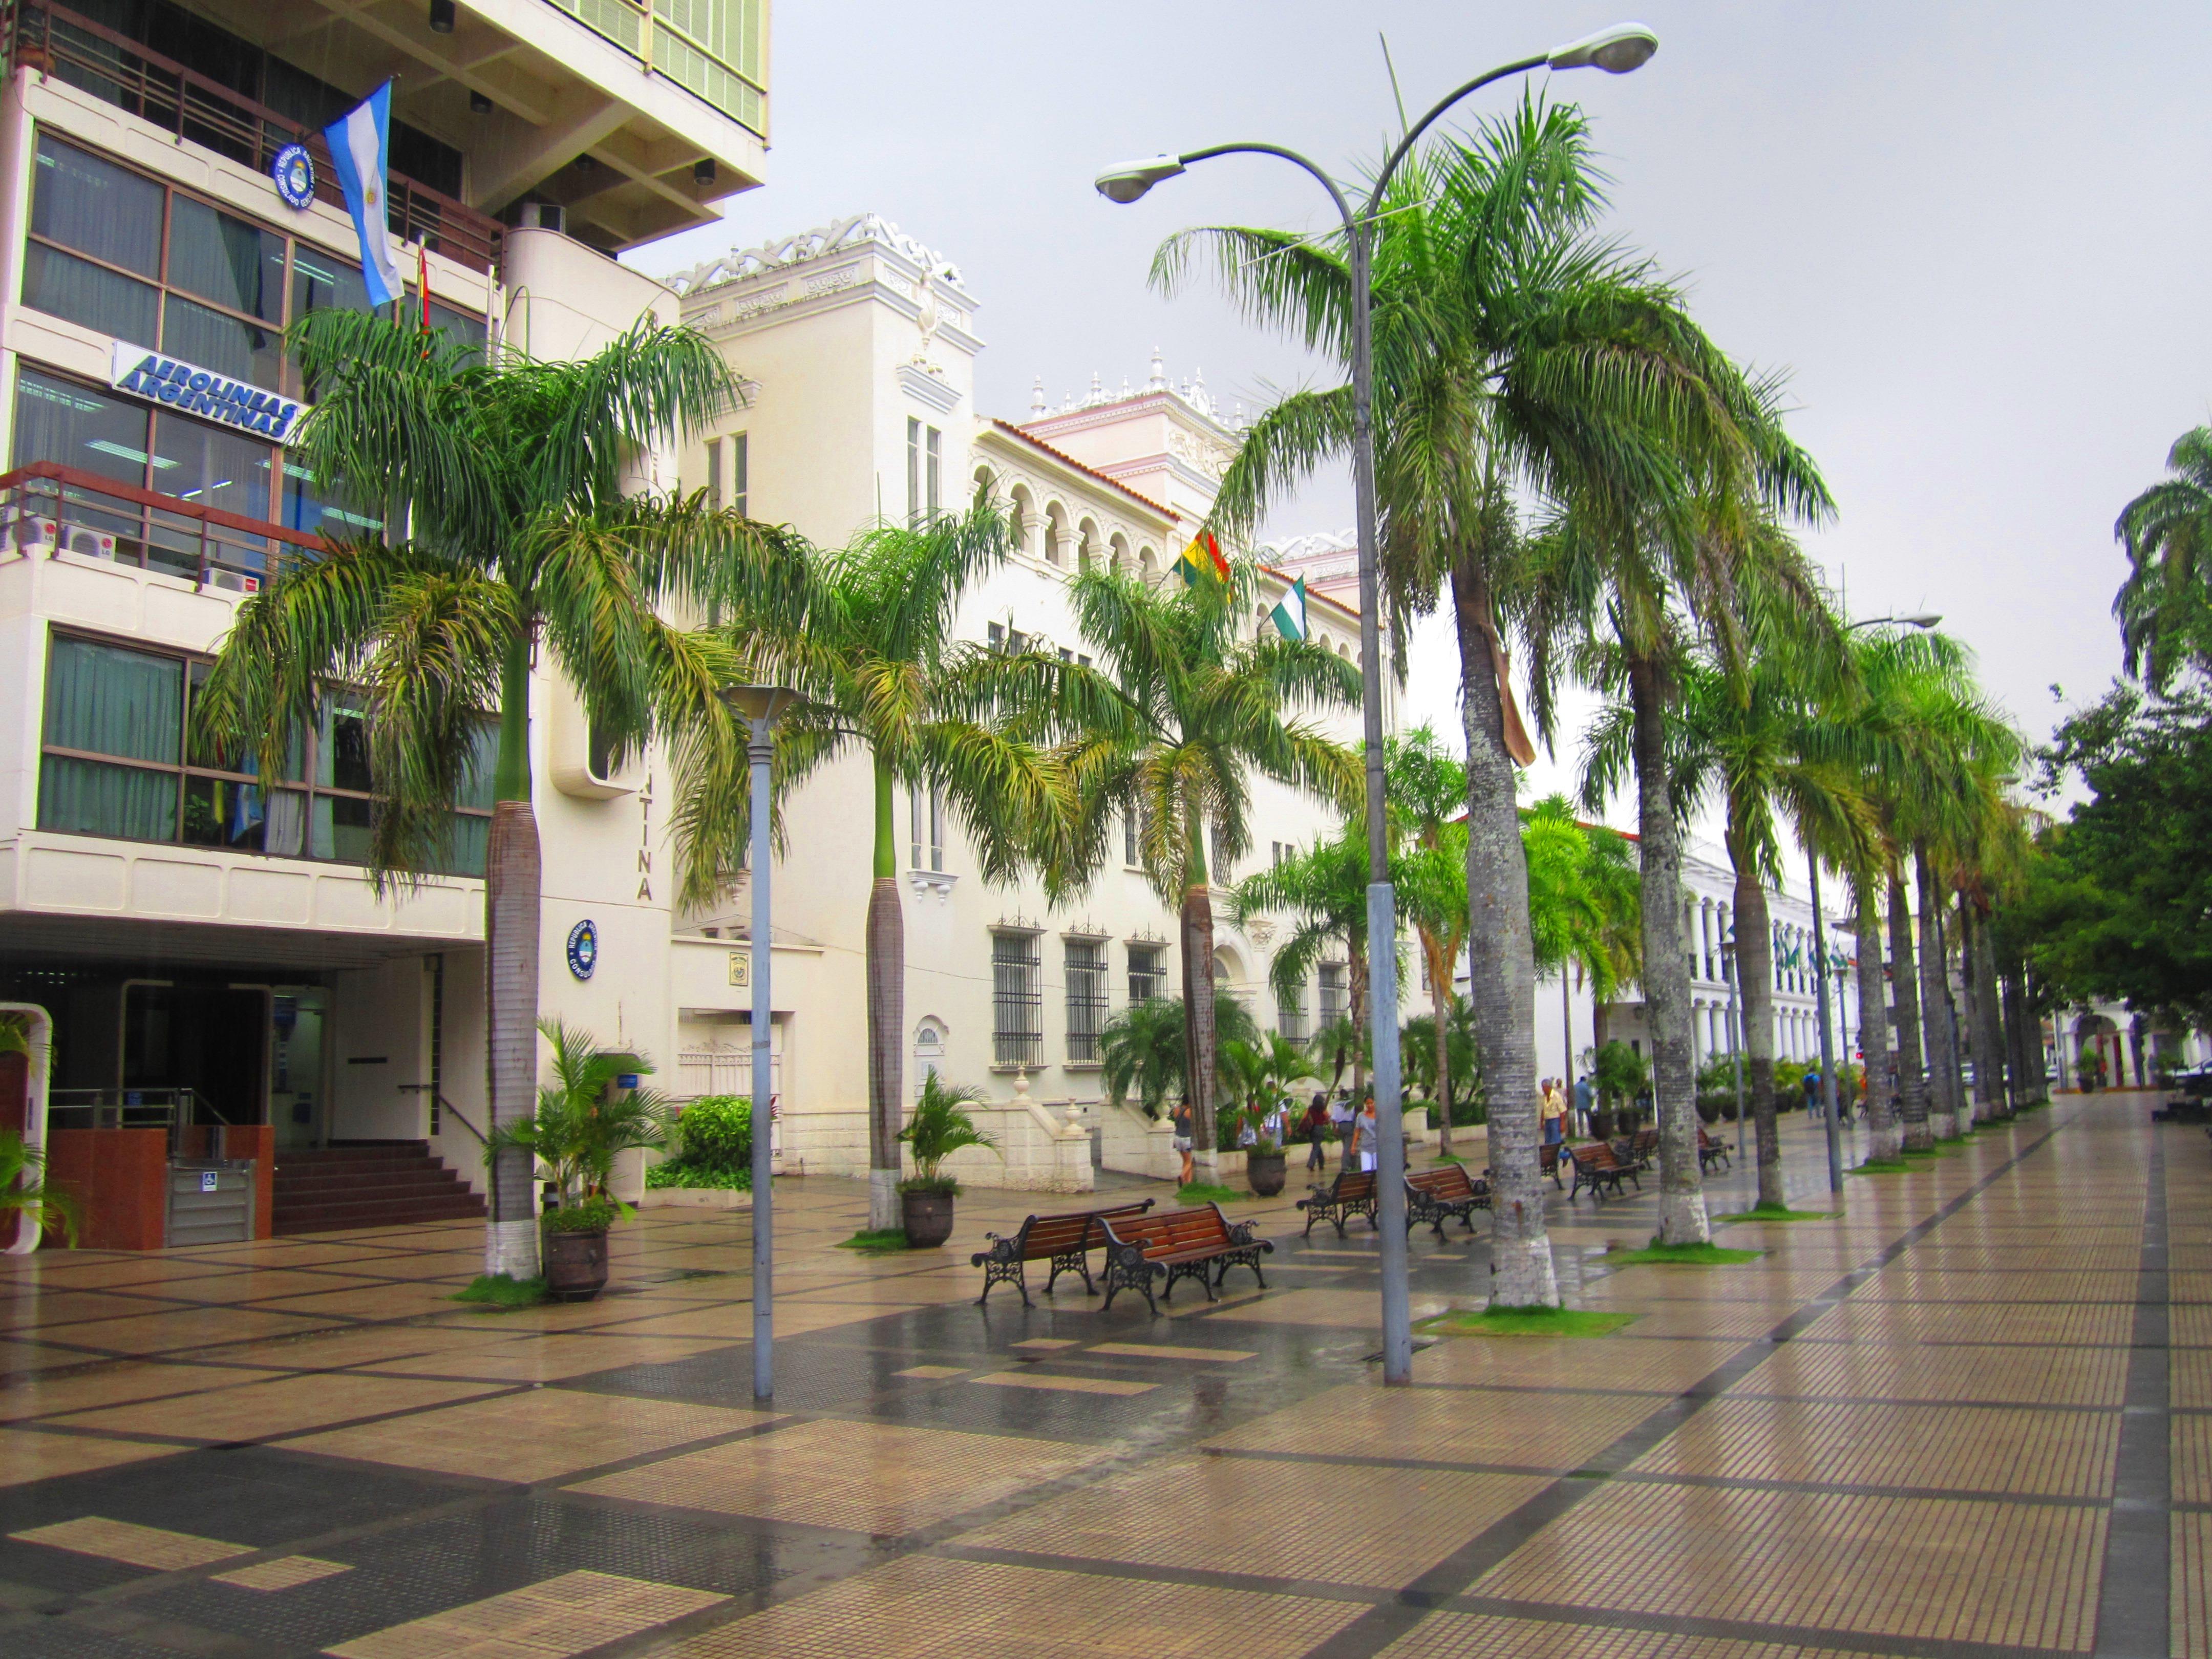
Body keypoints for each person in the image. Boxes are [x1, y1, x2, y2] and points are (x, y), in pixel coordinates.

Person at [1350, 1094, 1379, 1173]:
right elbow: (1357, 1131)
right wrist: (1354, 1145)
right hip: (1365, 1147)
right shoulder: (1361, 1116)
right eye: (1368, 1104)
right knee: (1366, 1171)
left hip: (1377, 1147)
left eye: (1371, 1103)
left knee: (1377, 1170)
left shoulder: (1380, 1115)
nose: (1370, 1106)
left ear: (1375, 1103)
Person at [1302, 1093, 1330, 1171]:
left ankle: (1321, 1163)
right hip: (1320, 1128)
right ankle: (1311, 1163)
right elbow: (1327, 1117)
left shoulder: (1310, 1109)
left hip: (1312, 1129)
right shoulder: (1323, 1109)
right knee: (1316, 1147)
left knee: (1317, 1146)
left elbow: (1304, 1117)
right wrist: (1326, 1122)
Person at [1170, 1097, 1195, 1184]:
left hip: (1177, 1138)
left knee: (1185, 1161)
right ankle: (1182, 1176)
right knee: (1190, 1162)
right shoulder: (1190, 1111)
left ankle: (1187, 1182)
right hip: (1187, 1138)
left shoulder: (1177, 1110)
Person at [1541, 1078, 1567, 1148]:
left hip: (1555, 1120)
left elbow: (1562, 1111)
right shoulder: (1544, 1097)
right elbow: (1543, 1110)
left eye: (1544, 1088)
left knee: (1555, 1141)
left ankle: (1556, 1157)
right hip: (1547, 1120)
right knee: (1548, 1141)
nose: (1543, 1090)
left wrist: (1562, 1123)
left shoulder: (1556, 1095)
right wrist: (1542, 1122)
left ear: (1548, 1087)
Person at [1573, 1072, 1594, 1137]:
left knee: (1580, 1118)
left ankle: (1581, 1131)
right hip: (1587, 1104)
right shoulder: (1587, 1086)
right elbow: (1590, 1095)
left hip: (1579, 1105)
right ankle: (1591, 1130)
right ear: (1585, 1080)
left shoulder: (1575, 1086)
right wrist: (1592, 1102)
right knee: (1589, 1117)